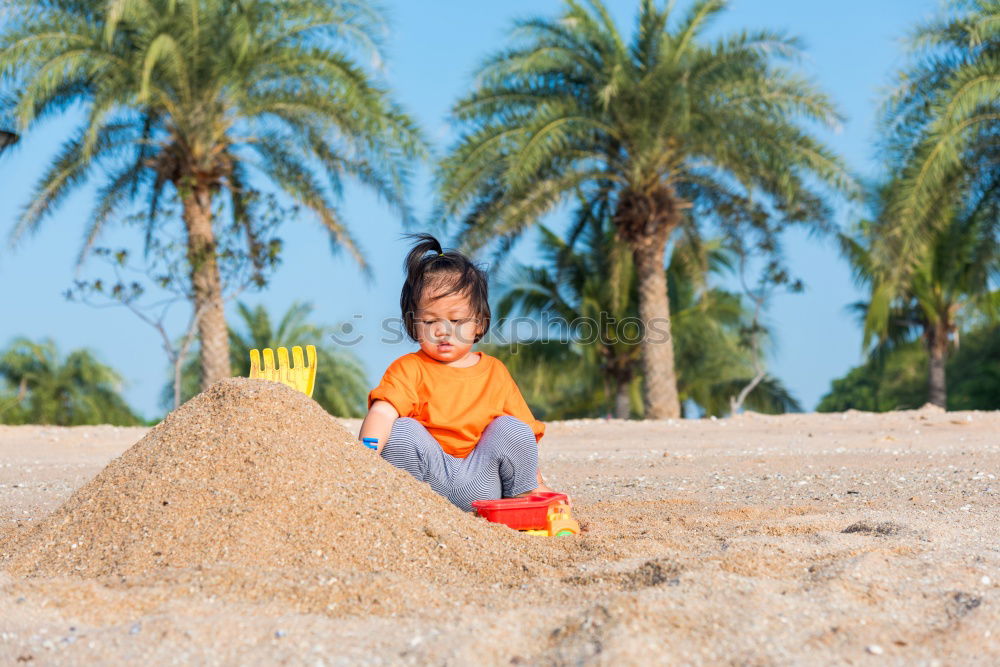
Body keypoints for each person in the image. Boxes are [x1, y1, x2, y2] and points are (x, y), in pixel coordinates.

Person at [358, 233, 556, 512]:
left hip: (483, 483)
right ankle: (402, 509)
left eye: (456, 320)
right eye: (429, 321)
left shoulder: (494, 372)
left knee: (512, 428)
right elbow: (381, 413)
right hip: (427, 481)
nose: (443, 330)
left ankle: (522, 499)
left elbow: (524, 438)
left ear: (479, 323)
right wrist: (363, 458)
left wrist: (538, 482)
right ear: (413, 325)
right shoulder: (410, 368)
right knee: (401, 430)